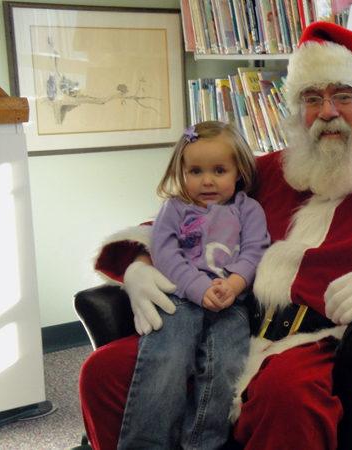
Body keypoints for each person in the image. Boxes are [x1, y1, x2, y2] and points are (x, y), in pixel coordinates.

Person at [79, 22, 352, 450]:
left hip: (322, 346)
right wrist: (141, 266)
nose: (327, 112)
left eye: (344, 96)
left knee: (286, 396)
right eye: (312, 99)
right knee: (105, 371)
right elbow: (186, 216)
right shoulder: (267, 172)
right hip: (229, 322)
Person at [116, 121, 270, 449]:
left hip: (232, 304)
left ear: (239, 171)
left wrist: (235, 282)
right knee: (165, 361)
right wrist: (199, 287)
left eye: (219, 170)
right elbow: (166, 255)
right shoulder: (172, 210)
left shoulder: (249, 209)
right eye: (196, 171)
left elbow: (257, 250)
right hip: (181, 299)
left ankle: (203, 444)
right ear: (182, 172)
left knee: (227, 368)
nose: (207, 180)